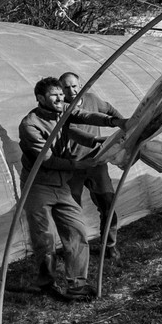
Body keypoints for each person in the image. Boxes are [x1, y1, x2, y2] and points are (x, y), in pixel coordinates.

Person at [18, 78, 98, 300]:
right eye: (54, 95)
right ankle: (45, 282)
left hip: (61, 185)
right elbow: (48, 160)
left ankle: (77, 285)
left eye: (61, 94)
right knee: (44, 238)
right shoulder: (30, 124)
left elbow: (84, 116)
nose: (61, 98)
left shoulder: (63, 112)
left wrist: (115, 121)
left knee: (77, 231)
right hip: (38, 186)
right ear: (40, 98)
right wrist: (79, 165)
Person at [58, 71, 126, 253]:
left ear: (80, 86)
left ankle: (109, 246)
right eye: (66, 87)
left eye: (74, 86)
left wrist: (123, 125)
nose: (71, 90)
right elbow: (73, 130)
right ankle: (74, 250)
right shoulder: (61, 108)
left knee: (107, 204)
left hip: (96, 163)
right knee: (72, 211)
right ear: (61, 90)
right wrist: (96, 139)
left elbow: (109, 110)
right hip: (74, 166)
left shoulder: (92, 100)